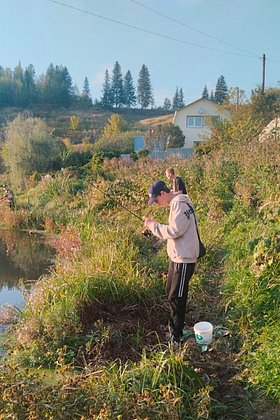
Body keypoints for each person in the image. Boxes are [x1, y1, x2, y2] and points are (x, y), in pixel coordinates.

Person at [143, 180, 199, 343]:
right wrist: (154, 226)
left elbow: (174, 231)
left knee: (177, 296)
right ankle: (174, 325)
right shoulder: (177, 203)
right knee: (170, 292)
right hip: (177, 256)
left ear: (162, 194)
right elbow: (175, 229)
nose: (157, 203)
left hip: (184, 259)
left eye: (156, 200)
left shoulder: (179, 205)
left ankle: (177, 334)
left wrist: (153, 225)